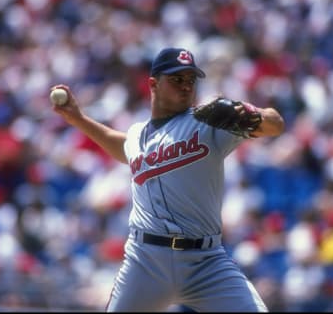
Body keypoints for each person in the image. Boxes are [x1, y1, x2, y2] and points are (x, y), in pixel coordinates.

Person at [50, 47, 285, 312]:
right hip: (146, 261)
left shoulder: (208, 122)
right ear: (153, 84)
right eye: (177, 79)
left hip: (206, 262)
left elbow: (275, 124)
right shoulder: (137, 134)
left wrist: (246, 114)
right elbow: (121, 146)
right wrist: (78, 119)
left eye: (190, 80)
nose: (186, 86)